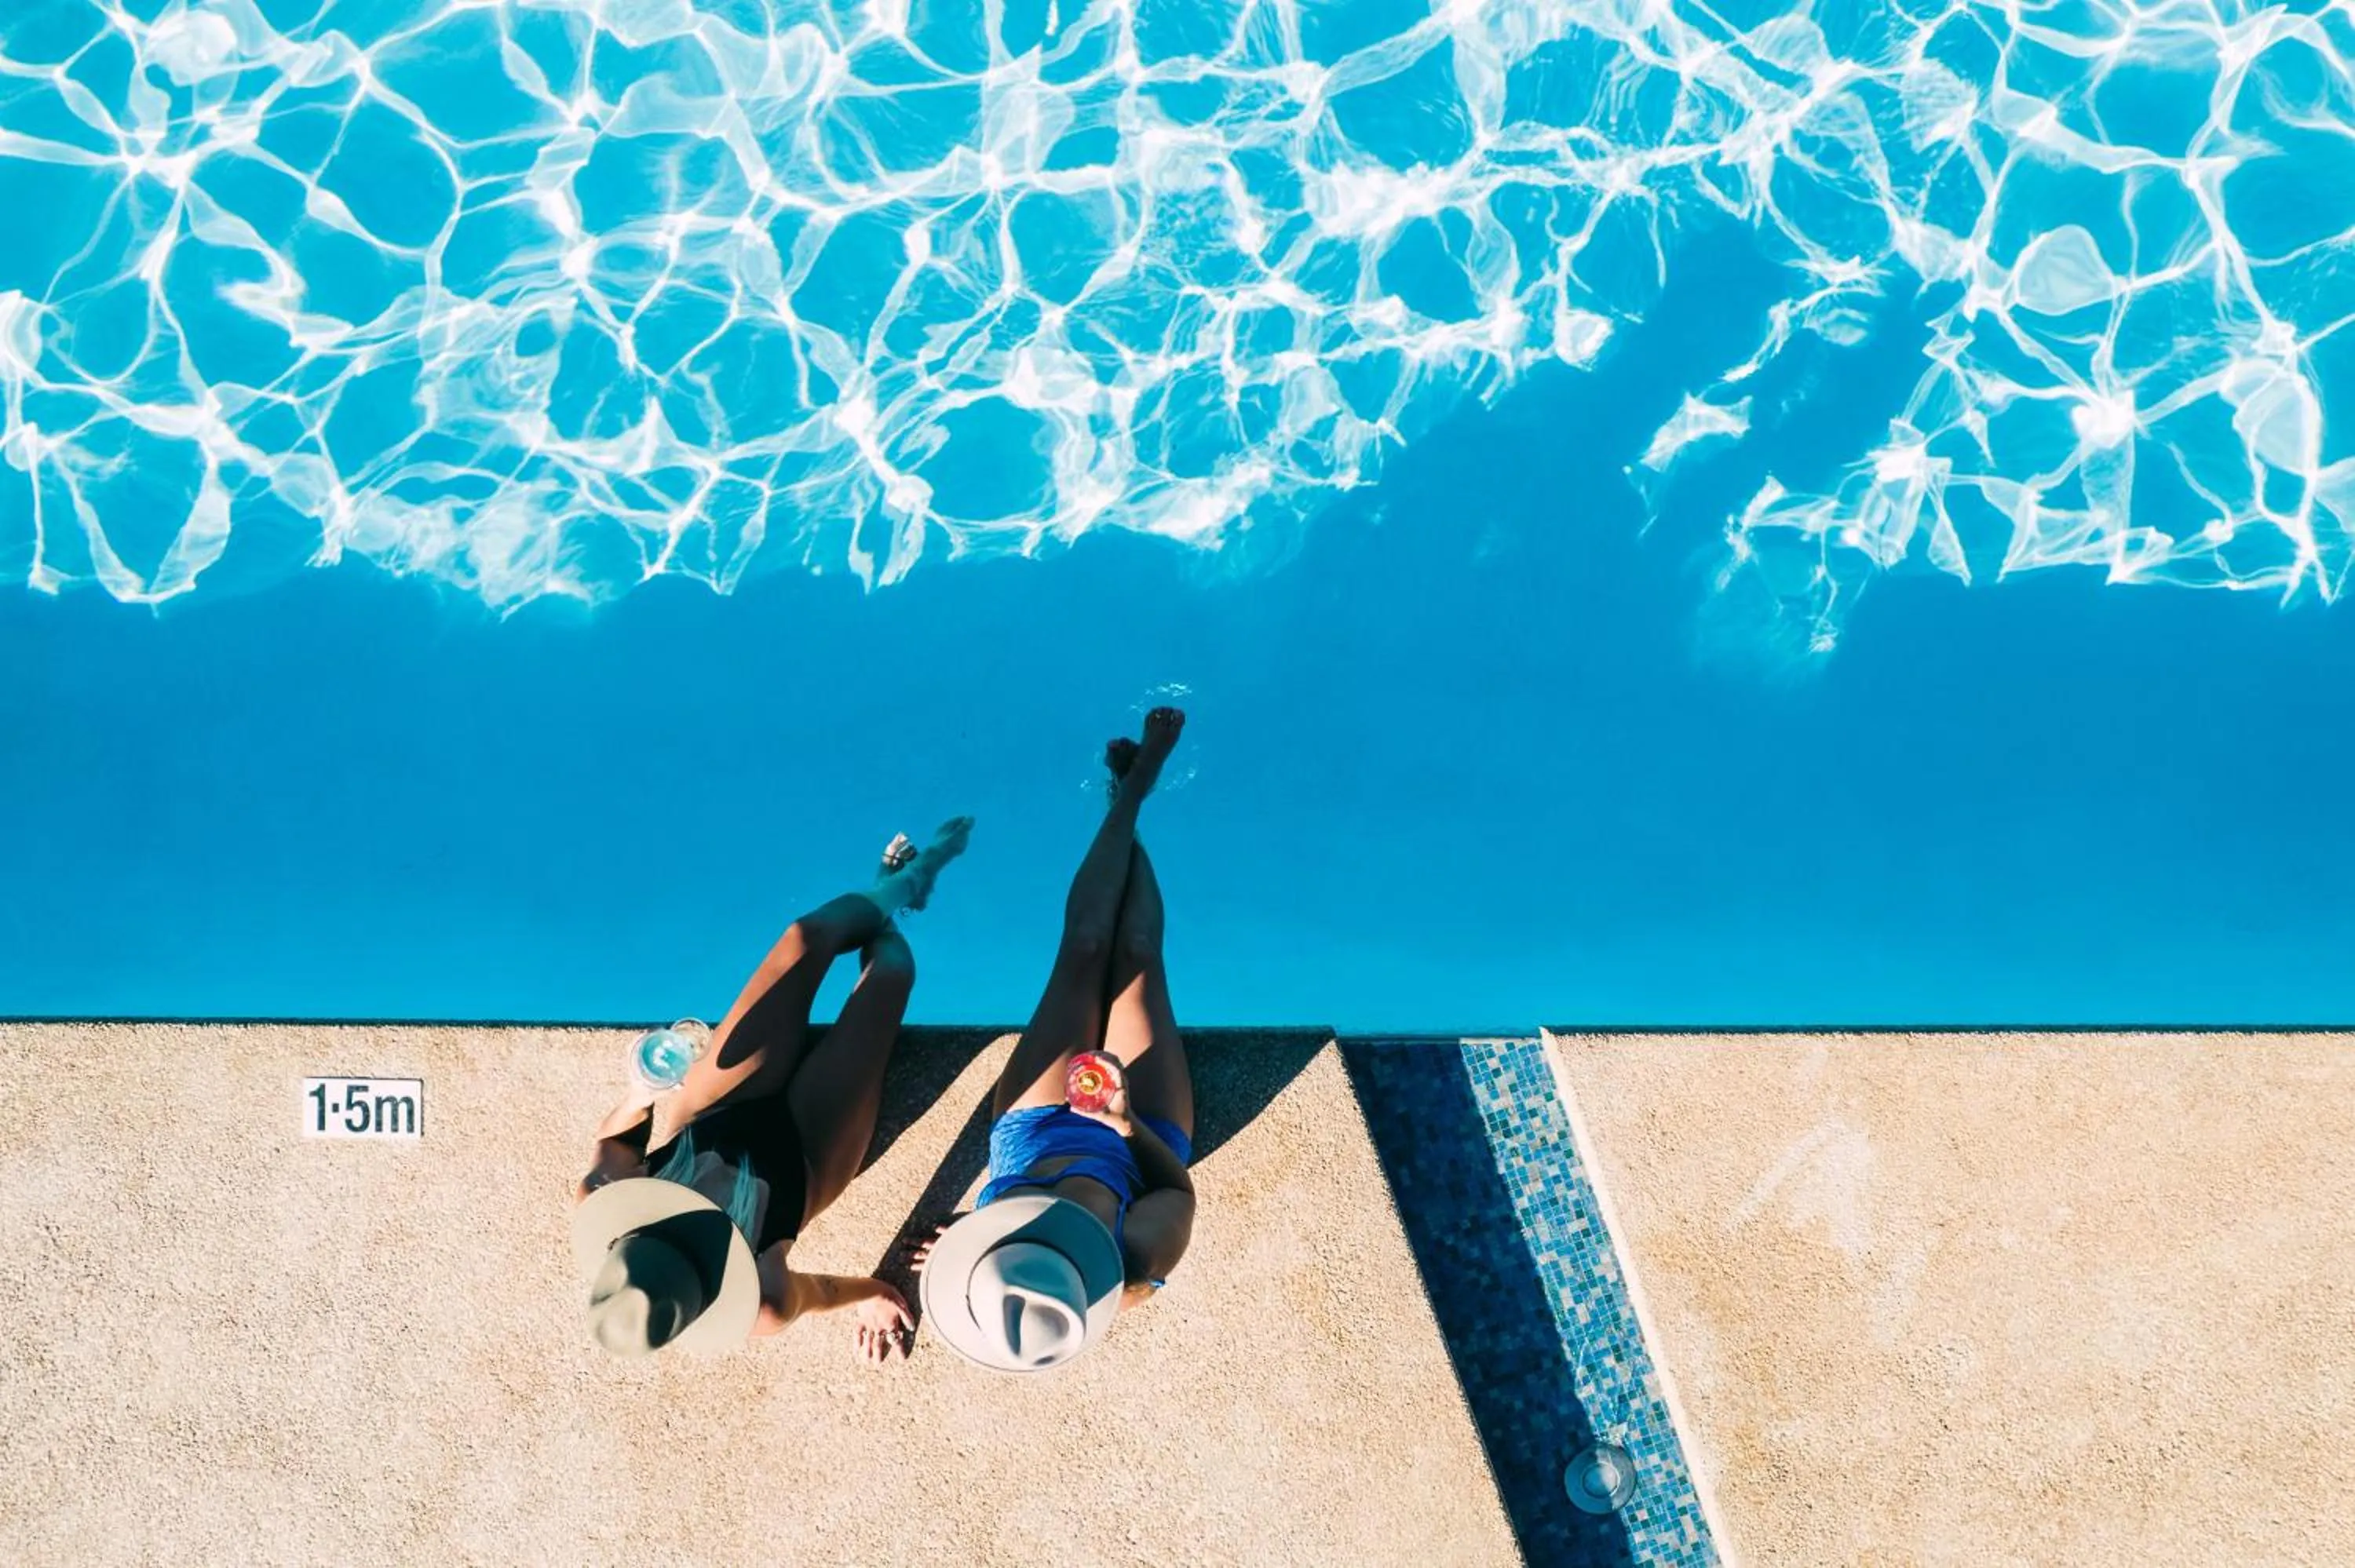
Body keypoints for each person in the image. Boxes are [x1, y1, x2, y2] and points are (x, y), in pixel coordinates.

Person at [571, 817, 973, 1363]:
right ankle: (890, 908)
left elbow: (617, 1141)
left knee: (802, 937)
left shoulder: (602, 1199)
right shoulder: (763, 1304)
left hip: (716, 1108)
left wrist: (641, 1092)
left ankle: (899, 884)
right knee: (892, 971)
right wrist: (875, 1294)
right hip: (805, 1157)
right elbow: (821, 1292)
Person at [918, 709, 1193, 1373]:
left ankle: (1126, 795)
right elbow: (1177, 1193)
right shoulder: (1130, 1269)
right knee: (1135, 954)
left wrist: (955, 1243)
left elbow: (953, 1249)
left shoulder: (988, 1275)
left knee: (1083, 950)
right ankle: (1133, 792)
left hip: (1034, 1131)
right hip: (1141, 1134)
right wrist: (1124, 1125)